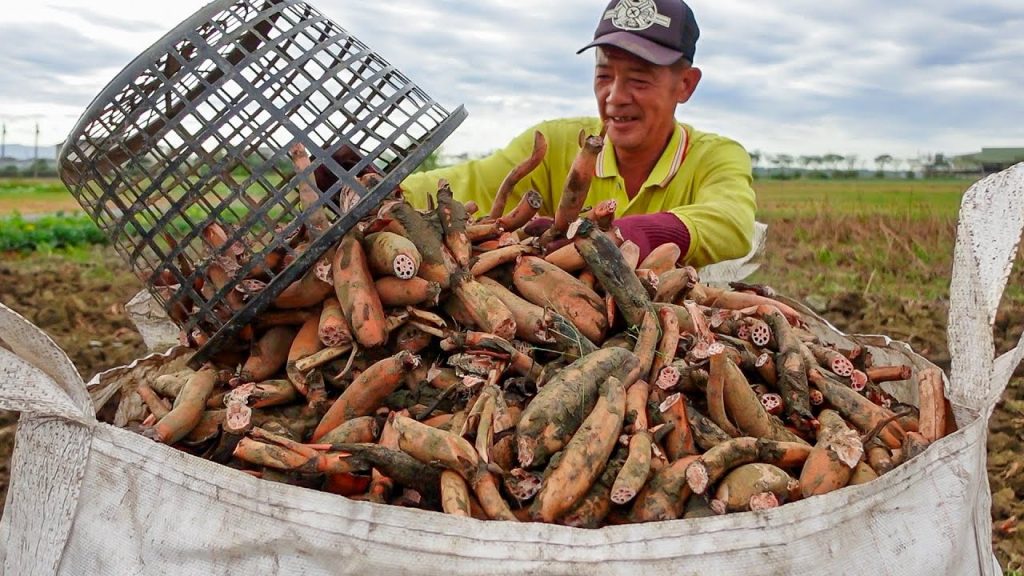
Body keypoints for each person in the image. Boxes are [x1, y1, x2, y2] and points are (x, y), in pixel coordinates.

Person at [400, 0, 755, 268]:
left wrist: (640, 233)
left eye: (639, 78)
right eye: (604, 75)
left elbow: (732, 220)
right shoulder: (556, 142)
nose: (615, 97)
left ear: (685, 85)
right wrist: (381, 185)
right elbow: (470, 181)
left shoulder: (714, 156)